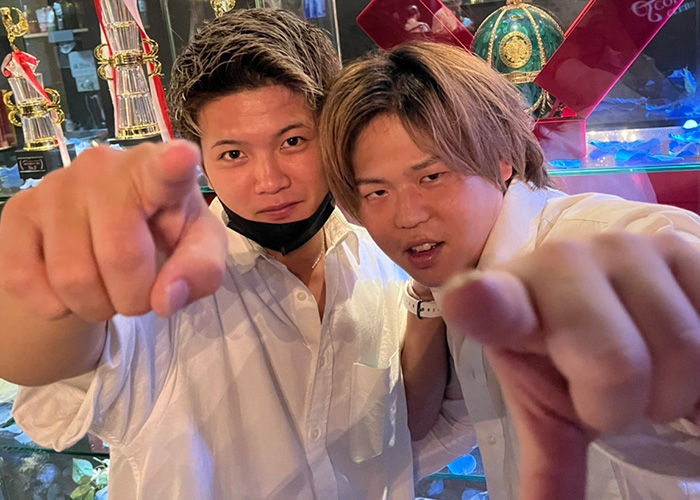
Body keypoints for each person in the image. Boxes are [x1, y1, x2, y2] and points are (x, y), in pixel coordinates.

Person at [0, 12, 474, 499]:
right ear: (200, 157)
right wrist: (57, 272)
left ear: (332, 133)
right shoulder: (169, 283)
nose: (270, 181)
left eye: (292, 141)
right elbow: (38, 362)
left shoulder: (382, 251)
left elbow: (405, 428)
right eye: (233, 154)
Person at [319, 41, 700, 500]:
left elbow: (667, 268)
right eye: (377, 193)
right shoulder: (470, 276)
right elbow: (429, 433)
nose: (408, 216)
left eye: (432, 177)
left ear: (502, 159)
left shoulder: (602, 240)